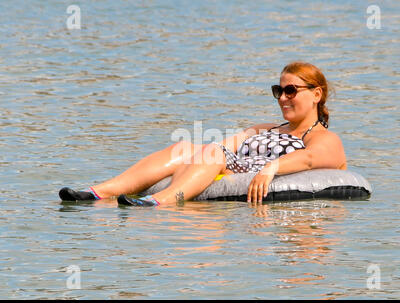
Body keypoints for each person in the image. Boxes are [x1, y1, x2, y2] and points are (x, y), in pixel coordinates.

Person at [59, 61, 347, 206]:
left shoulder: (321, 137)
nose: (282, 97)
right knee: (186, 145)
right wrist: (194, 156)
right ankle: (99, 192)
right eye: (278, 91)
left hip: (249, 171)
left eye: (291, 90)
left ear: (316, 94)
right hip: (229, 166)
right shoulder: (265, 128)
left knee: (212, 151)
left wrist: (271, 168)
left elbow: (311, 159)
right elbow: (223, 145)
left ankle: (161, 202)